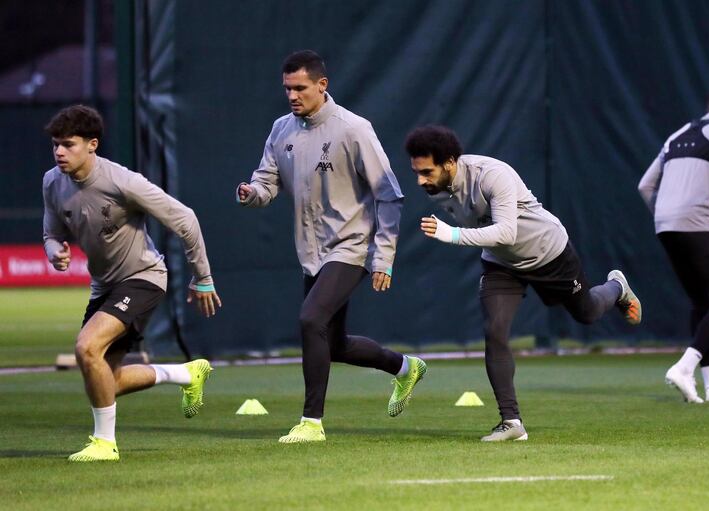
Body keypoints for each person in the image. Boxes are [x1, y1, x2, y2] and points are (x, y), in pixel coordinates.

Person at [404, 125, 641, 441]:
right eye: (417, 172)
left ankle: (617, 287)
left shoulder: (492, 175)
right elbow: (497, 241)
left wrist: (453, 234)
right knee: (494, 330)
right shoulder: (436, 188)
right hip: (502, 264)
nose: (420, 180)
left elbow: (506, 232)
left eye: (426, 171)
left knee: (587, 313)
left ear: (449, 163)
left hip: (550, 254)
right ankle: (512, 422)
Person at [236, 50, 425, 443]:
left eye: (300, 87)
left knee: (310, 320)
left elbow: (389, 196)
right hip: (311, 252)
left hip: (350, 246)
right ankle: (406, 368)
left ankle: (311, 423)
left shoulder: (353, 129)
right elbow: (266, 182)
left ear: (322, 85)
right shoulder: (280, 129)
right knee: (333, 343)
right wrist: (251, 192)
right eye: (287, 88)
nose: (292, 95)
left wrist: (383, 257)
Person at [42, 105, 222, 462]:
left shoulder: (122, 181)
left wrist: (203, 277)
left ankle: (105, 444)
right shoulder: (52, 182)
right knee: (104, 379)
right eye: (55, 145)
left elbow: (185, 219)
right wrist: (53, 252)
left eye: (68, 144)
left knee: (86, 347)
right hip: (104, 286)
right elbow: (51, 232)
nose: (59, 152)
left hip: (143, 278)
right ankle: (185, 373)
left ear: (92, 144)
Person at [638, 87, 709, 404]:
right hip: (697, 225)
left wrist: (665, 214)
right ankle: (684, 368)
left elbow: (644, 185)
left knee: (701, 303)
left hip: (664, 226)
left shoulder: (676, 136)